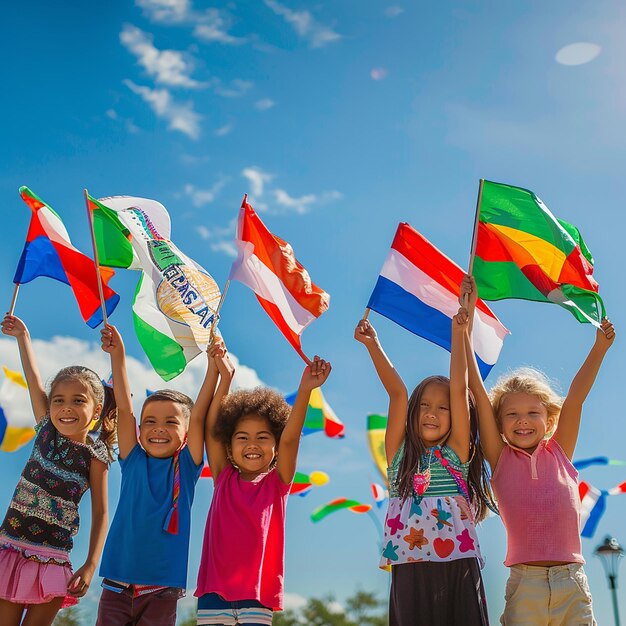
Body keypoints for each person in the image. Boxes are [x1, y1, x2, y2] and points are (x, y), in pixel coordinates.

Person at [461, 274, 615, 626]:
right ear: (499, 424)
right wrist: (465, 327)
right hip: (524, 585)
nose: (523, 421)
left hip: (572, 583)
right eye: (512, 415)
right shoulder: (499, 458)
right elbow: (478, 396)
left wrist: (599, 348)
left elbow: (576, 397)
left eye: (533, 413)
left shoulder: (559, 452)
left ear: (548, 419)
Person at [354, 312, 495, 626]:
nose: (432, 413)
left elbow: (460, 389)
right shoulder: (399, 456)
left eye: (442, 408)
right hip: (410, 565)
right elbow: (397, 393)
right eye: (424, 406)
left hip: (458, 563)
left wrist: (460, 335)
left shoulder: (457, 454)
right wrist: (373, 343)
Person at [195, 344, 331, 626]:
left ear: (276, 445)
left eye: (263, 437)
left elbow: (292, 439)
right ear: (229, 444)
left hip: (256, 598)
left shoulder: (278, 483)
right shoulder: (223, 476)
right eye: (242, 437)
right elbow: (211, 429)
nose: (252, 445)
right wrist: (225, 380)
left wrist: (305, 389)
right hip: (212, 595)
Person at [96, 325, 219, 626]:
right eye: (149, 421)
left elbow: (201, 413)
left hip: (162, 592)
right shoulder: (133, 459)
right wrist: (118, 355)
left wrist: (214, 368)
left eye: (170, 422)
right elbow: (125, 409)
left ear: (188, 433)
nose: (158, 428)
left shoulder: (187, 465)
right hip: (116, 587)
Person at [0, 314, 114, 626]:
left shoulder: (96, 455)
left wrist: (90, 565)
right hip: (9, 549)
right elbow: (33, 380)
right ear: (49, 407)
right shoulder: (45, 431)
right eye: (59, 400)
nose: (66, 407)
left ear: (94, 412)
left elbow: (102, 513)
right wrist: (24, 337)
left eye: (78, 401)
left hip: (52, 559)